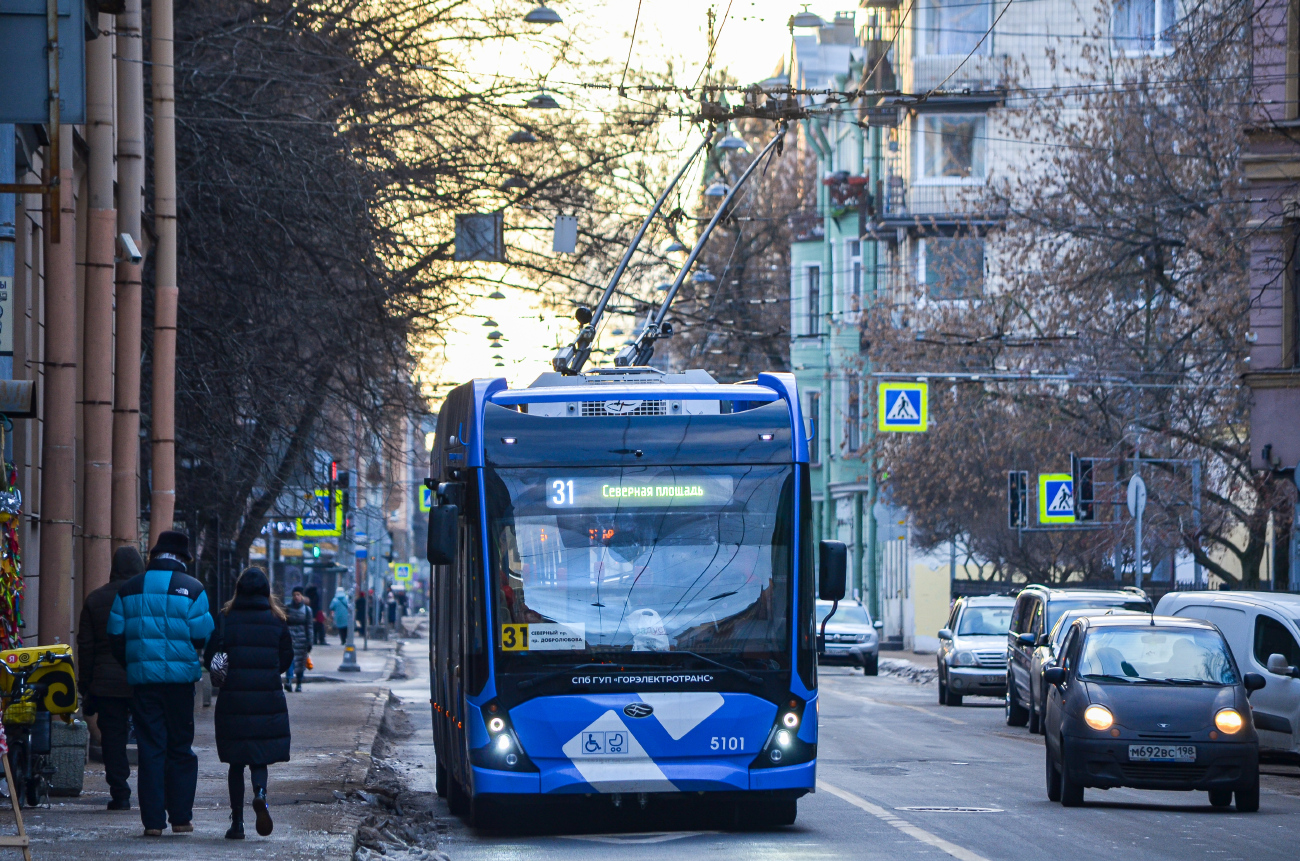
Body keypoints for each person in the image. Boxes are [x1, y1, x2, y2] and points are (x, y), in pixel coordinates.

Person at [108, 531, 214, 837]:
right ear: (183, 559)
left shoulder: (129, 589)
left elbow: (115, 635)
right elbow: (202, 636)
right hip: (180, 684)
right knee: (180, 747)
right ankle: (181, 817)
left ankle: (153, 822)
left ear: (154, 556)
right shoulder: (193, 589)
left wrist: (134, 663)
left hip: (144, 683)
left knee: (150, 748)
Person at [204, 568, 293, 839]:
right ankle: (261, 793)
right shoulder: (277, 620)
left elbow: (210, 656)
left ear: (238, 590)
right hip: (267, 698)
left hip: (233, 699)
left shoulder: (226, 619)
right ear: (267, 592)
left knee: (235, 762)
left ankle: (237, 823)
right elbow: (287, 658)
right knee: (259, 758)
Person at [77, 546, 144, 810]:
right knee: (149, 734)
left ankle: (120, 793)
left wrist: (86, 686)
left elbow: (86, 647)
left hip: (106, 682)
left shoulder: (95, 599)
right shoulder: (144, 597)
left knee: (113, 738)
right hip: (141, 678)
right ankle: (151, 793)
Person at [283, 587, 313, 692]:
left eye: (298, 595)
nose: (296, 597)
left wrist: (310, 642)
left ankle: (299, 683)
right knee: (290, 660)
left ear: (302, 596)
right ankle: (289, 681)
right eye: (294, 595)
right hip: (290, 638)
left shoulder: (307, 610)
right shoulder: (287, 608)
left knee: (301, 662)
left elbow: (309, 627)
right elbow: (284, 624)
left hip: (302, 640)